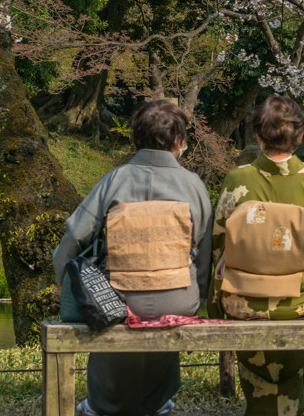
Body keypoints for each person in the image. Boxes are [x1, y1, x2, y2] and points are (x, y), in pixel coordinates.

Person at [52, 100, 214, 416]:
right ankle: (157, 400)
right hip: (178, 297)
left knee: (106, 310)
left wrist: (64, 281)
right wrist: (200, 295)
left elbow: (73, 237)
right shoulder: (194, 185)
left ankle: (103, 403)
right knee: (163, 312)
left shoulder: (115, 180)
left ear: (135, 138)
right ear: (180, 141)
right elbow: (205, 252)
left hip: (119, 298)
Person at [210, 95, 304, 416]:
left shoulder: (237, 180)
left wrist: (216, 303)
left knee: (255, 378)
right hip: (296, 305)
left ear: (257, 135)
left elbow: (218, 246)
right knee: (291, 376)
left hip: (243, 303)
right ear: (299, 136)